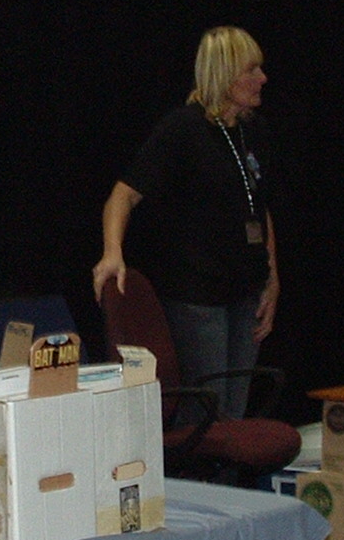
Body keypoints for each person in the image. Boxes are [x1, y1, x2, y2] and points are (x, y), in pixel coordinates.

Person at [93, 26, 278, 419]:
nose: (262, 78)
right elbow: (122, 195)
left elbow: (259, 209)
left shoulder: (254, 131)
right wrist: (112, 252)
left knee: (235, 414)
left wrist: (272, 278)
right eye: (252, 70)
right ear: (225, 74)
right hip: (199, 297)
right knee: (208, 412)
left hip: (247, 292)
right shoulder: (183, 129)